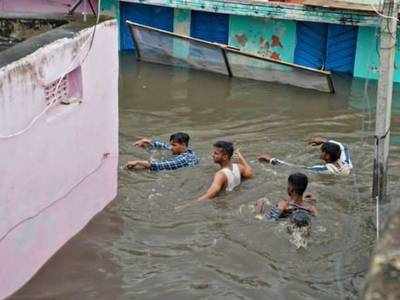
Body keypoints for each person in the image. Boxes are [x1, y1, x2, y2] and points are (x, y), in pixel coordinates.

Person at [258, 137, 353, 175]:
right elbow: (343, 147)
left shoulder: (326, 169)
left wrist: (271, 160)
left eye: (322, 152)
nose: (320, 153)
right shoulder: (346, 162)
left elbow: (297, 168)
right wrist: (325, 141)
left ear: (327, 156)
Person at [126, 132, 199, 171]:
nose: (171, 147)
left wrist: (138, 162)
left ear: (183, 144)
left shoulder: (184, 159)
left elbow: (160, 165)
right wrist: (149, 142)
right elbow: (166, 146)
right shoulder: (187, 151)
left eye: (174, 145)